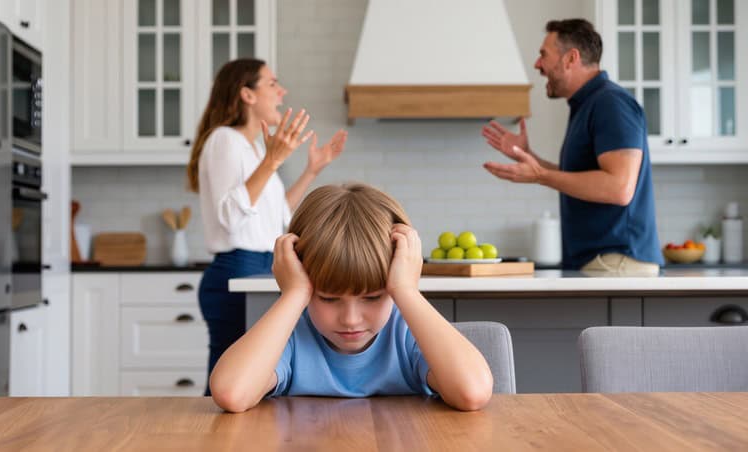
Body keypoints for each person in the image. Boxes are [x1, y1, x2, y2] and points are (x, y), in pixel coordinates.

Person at [209, 183, 494, 412]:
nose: (350, 319)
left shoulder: (409, 332)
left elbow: (473, 393)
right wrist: (293, 294)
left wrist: (407, 290)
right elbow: (231, 393)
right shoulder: (289, 336)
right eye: (329, 299)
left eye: (372, 297)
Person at [186, 58, 347, 396]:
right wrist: (273, 160)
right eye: (272, 83)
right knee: (231, 377)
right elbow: (230, 216)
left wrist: (311, 171)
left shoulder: (254, 148)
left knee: (253, 371)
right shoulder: (224, 141)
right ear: (246, 94)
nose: (282, 91)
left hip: (261, 266)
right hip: (237, 268)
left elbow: (274, 215)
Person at [481, 18, 663, 274]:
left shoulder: (611, 103)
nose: (537, 64)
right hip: (606, 262)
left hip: (618, 262)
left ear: (570, 58)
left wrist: (540, 175)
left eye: (543, 54)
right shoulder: (588, 105)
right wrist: (530, 158)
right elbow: (584, 179)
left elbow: (619, 188)